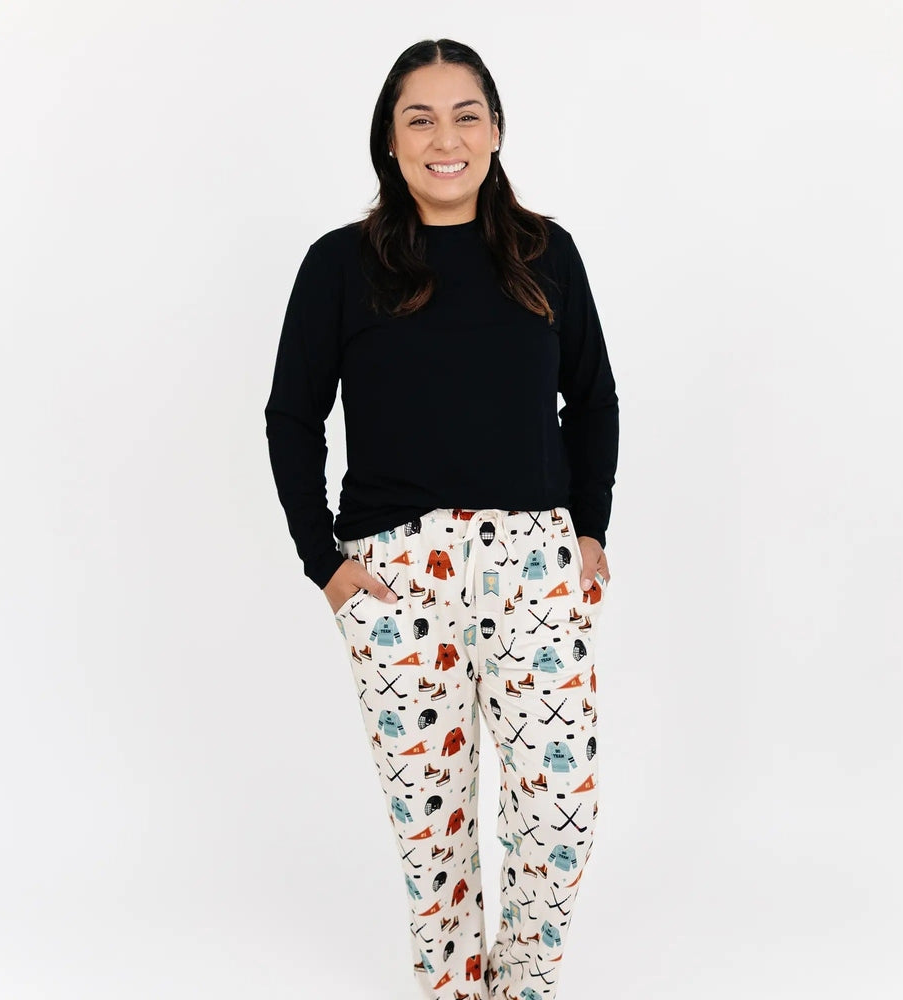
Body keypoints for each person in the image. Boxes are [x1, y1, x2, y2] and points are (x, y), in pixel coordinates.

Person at [264, 37, 619, 1000]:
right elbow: (293, 417)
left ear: (496, 130)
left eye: (465, 115)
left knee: (560, 809)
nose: (444, 138)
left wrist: (589, 530)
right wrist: (325, 564)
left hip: (536, 564)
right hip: (397, 573)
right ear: (389, 139)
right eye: (418, 119)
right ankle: (455, 989)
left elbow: (592, 398)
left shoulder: (547, 254)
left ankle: (525, 982)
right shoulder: (340, 265)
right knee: (432, 828)